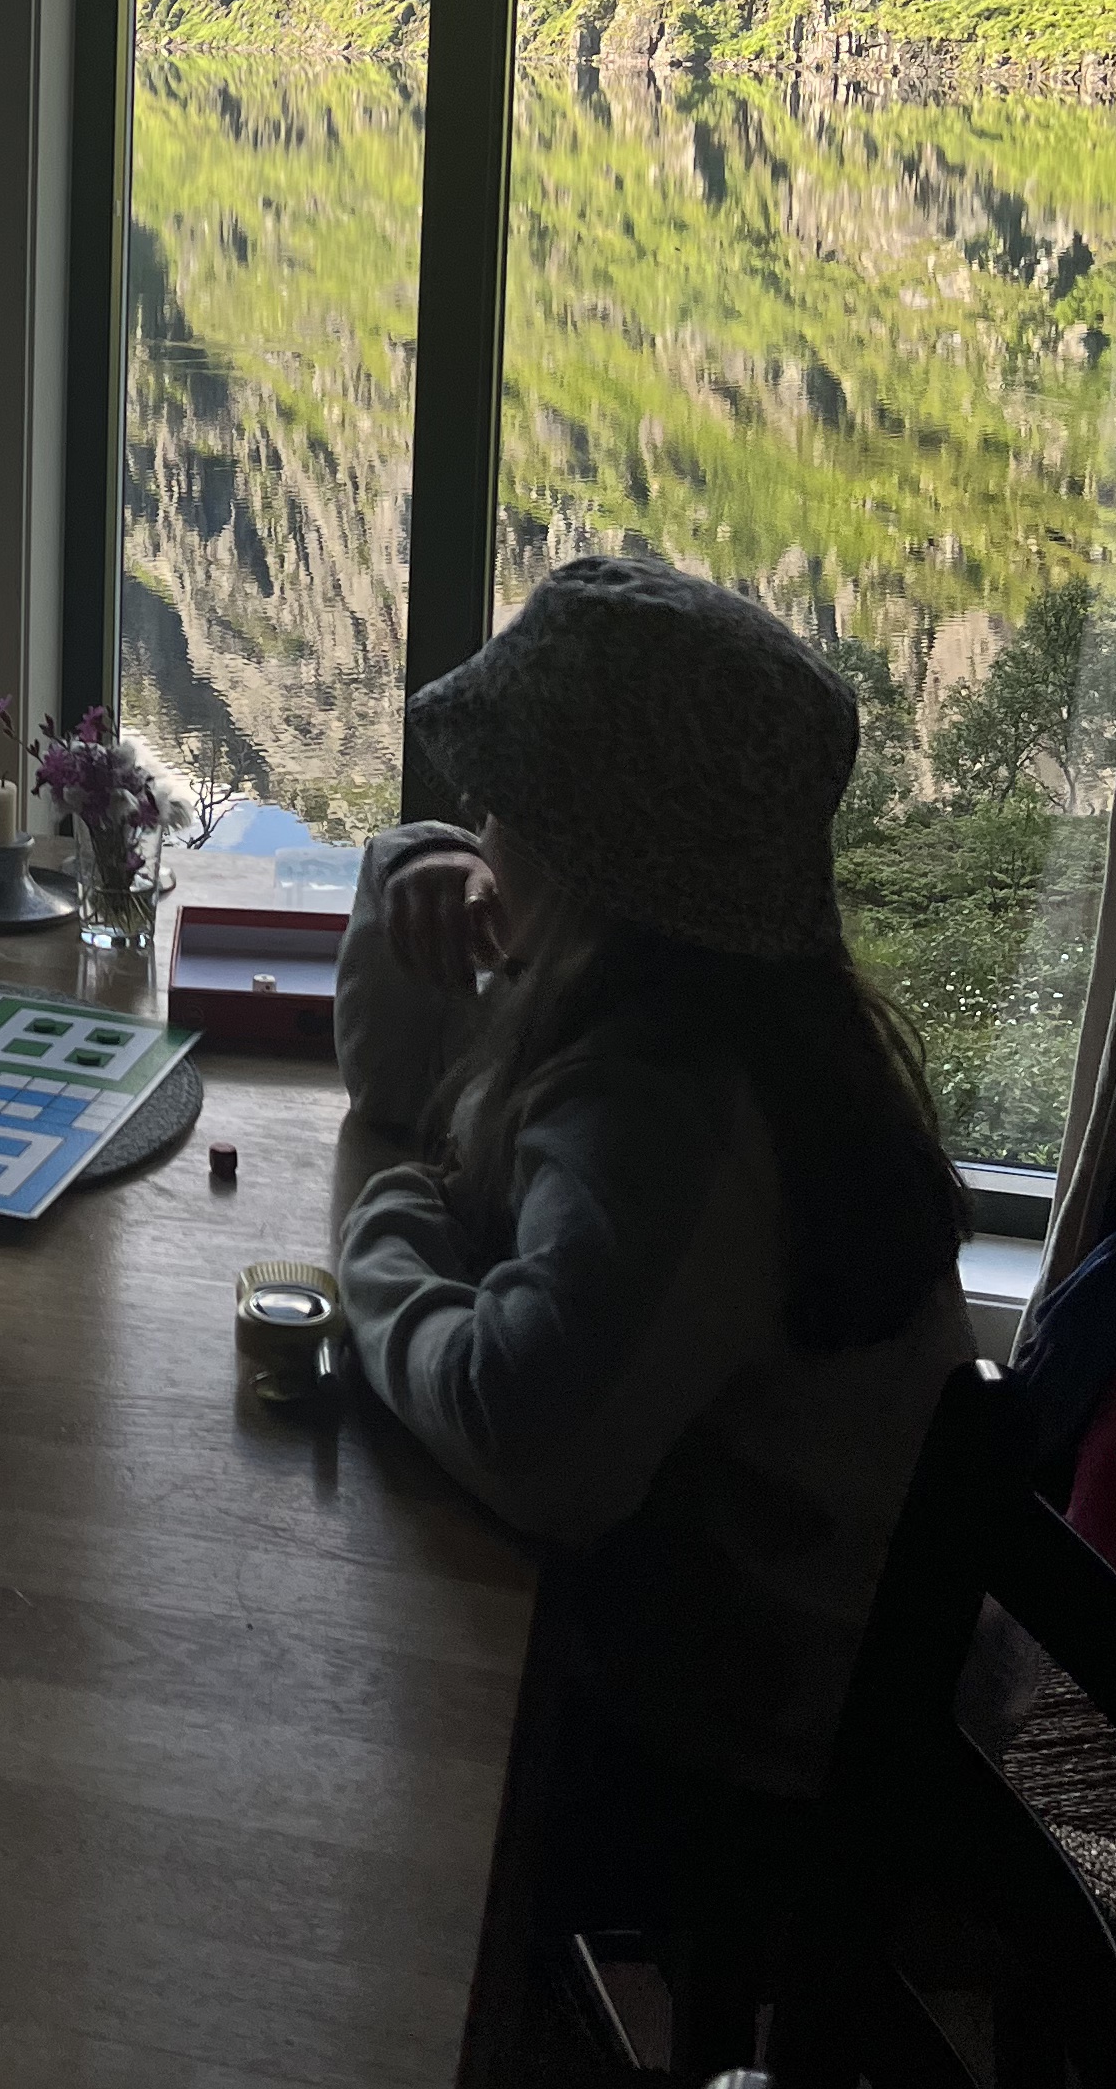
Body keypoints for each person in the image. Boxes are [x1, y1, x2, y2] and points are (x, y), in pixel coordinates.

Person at [333, 553, 972, 1806]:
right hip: (742, 1642)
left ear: (596, 867)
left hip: (758, 1753)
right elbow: (399, 1093)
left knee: (369, 1726)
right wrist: (418, 881)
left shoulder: (671, 1114)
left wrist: (384, 1222)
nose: (478, 813)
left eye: (506, 806)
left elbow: (529, 1448)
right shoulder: (700, 1012)